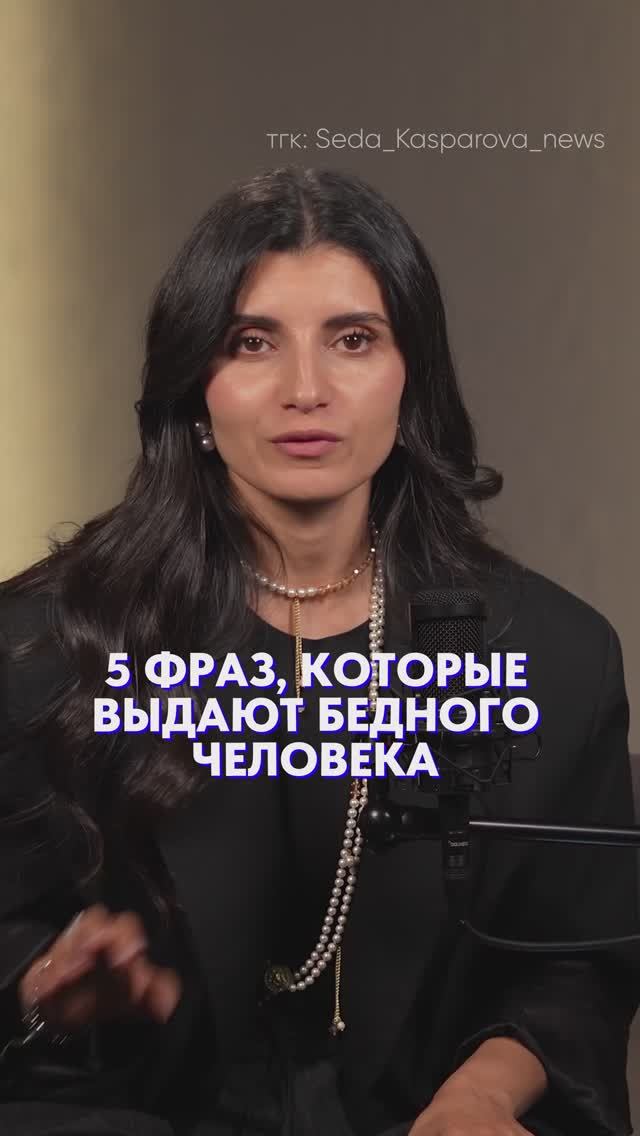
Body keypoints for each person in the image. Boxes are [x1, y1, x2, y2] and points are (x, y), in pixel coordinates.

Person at [0, 165, 638, 1136]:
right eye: (252, 342)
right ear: (195, 384)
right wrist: (41, 985)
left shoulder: (556, 658)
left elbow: (576, 964)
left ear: (409, 377)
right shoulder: (41, 647)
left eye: (353, 339)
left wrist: (478, 1096)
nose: (306, 390)